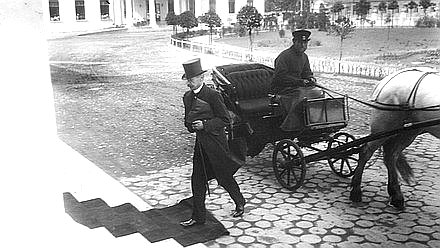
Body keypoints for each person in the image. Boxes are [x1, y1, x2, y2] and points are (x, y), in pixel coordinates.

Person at [180, 58, 245, 227]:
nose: (189, 83)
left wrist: (205, 125)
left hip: (216, 144)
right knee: (197, 180)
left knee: (224, 177)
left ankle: (239, 201)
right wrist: (191, 126)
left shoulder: (213, 95)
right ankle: (198, 217)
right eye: (187, 79)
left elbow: (225, 119)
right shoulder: (187, 97)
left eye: (192, 79)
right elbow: (187, 122)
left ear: (201, 78)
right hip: (201, 146)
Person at [270, 29, 323, 131]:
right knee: (301, 95)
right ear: (294, 42)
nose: (303, 46)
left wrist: (310, 78)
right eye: (301, 43)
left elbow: (307, 72)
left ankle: (314, 121)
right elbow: (280, 77)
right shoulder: (284, 56)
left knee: (318, 93)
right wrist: (299, 82)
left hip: (297, 87)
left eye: (305, 43)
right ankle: (292, 125)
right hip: (282, 89)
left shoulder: (304, 57)